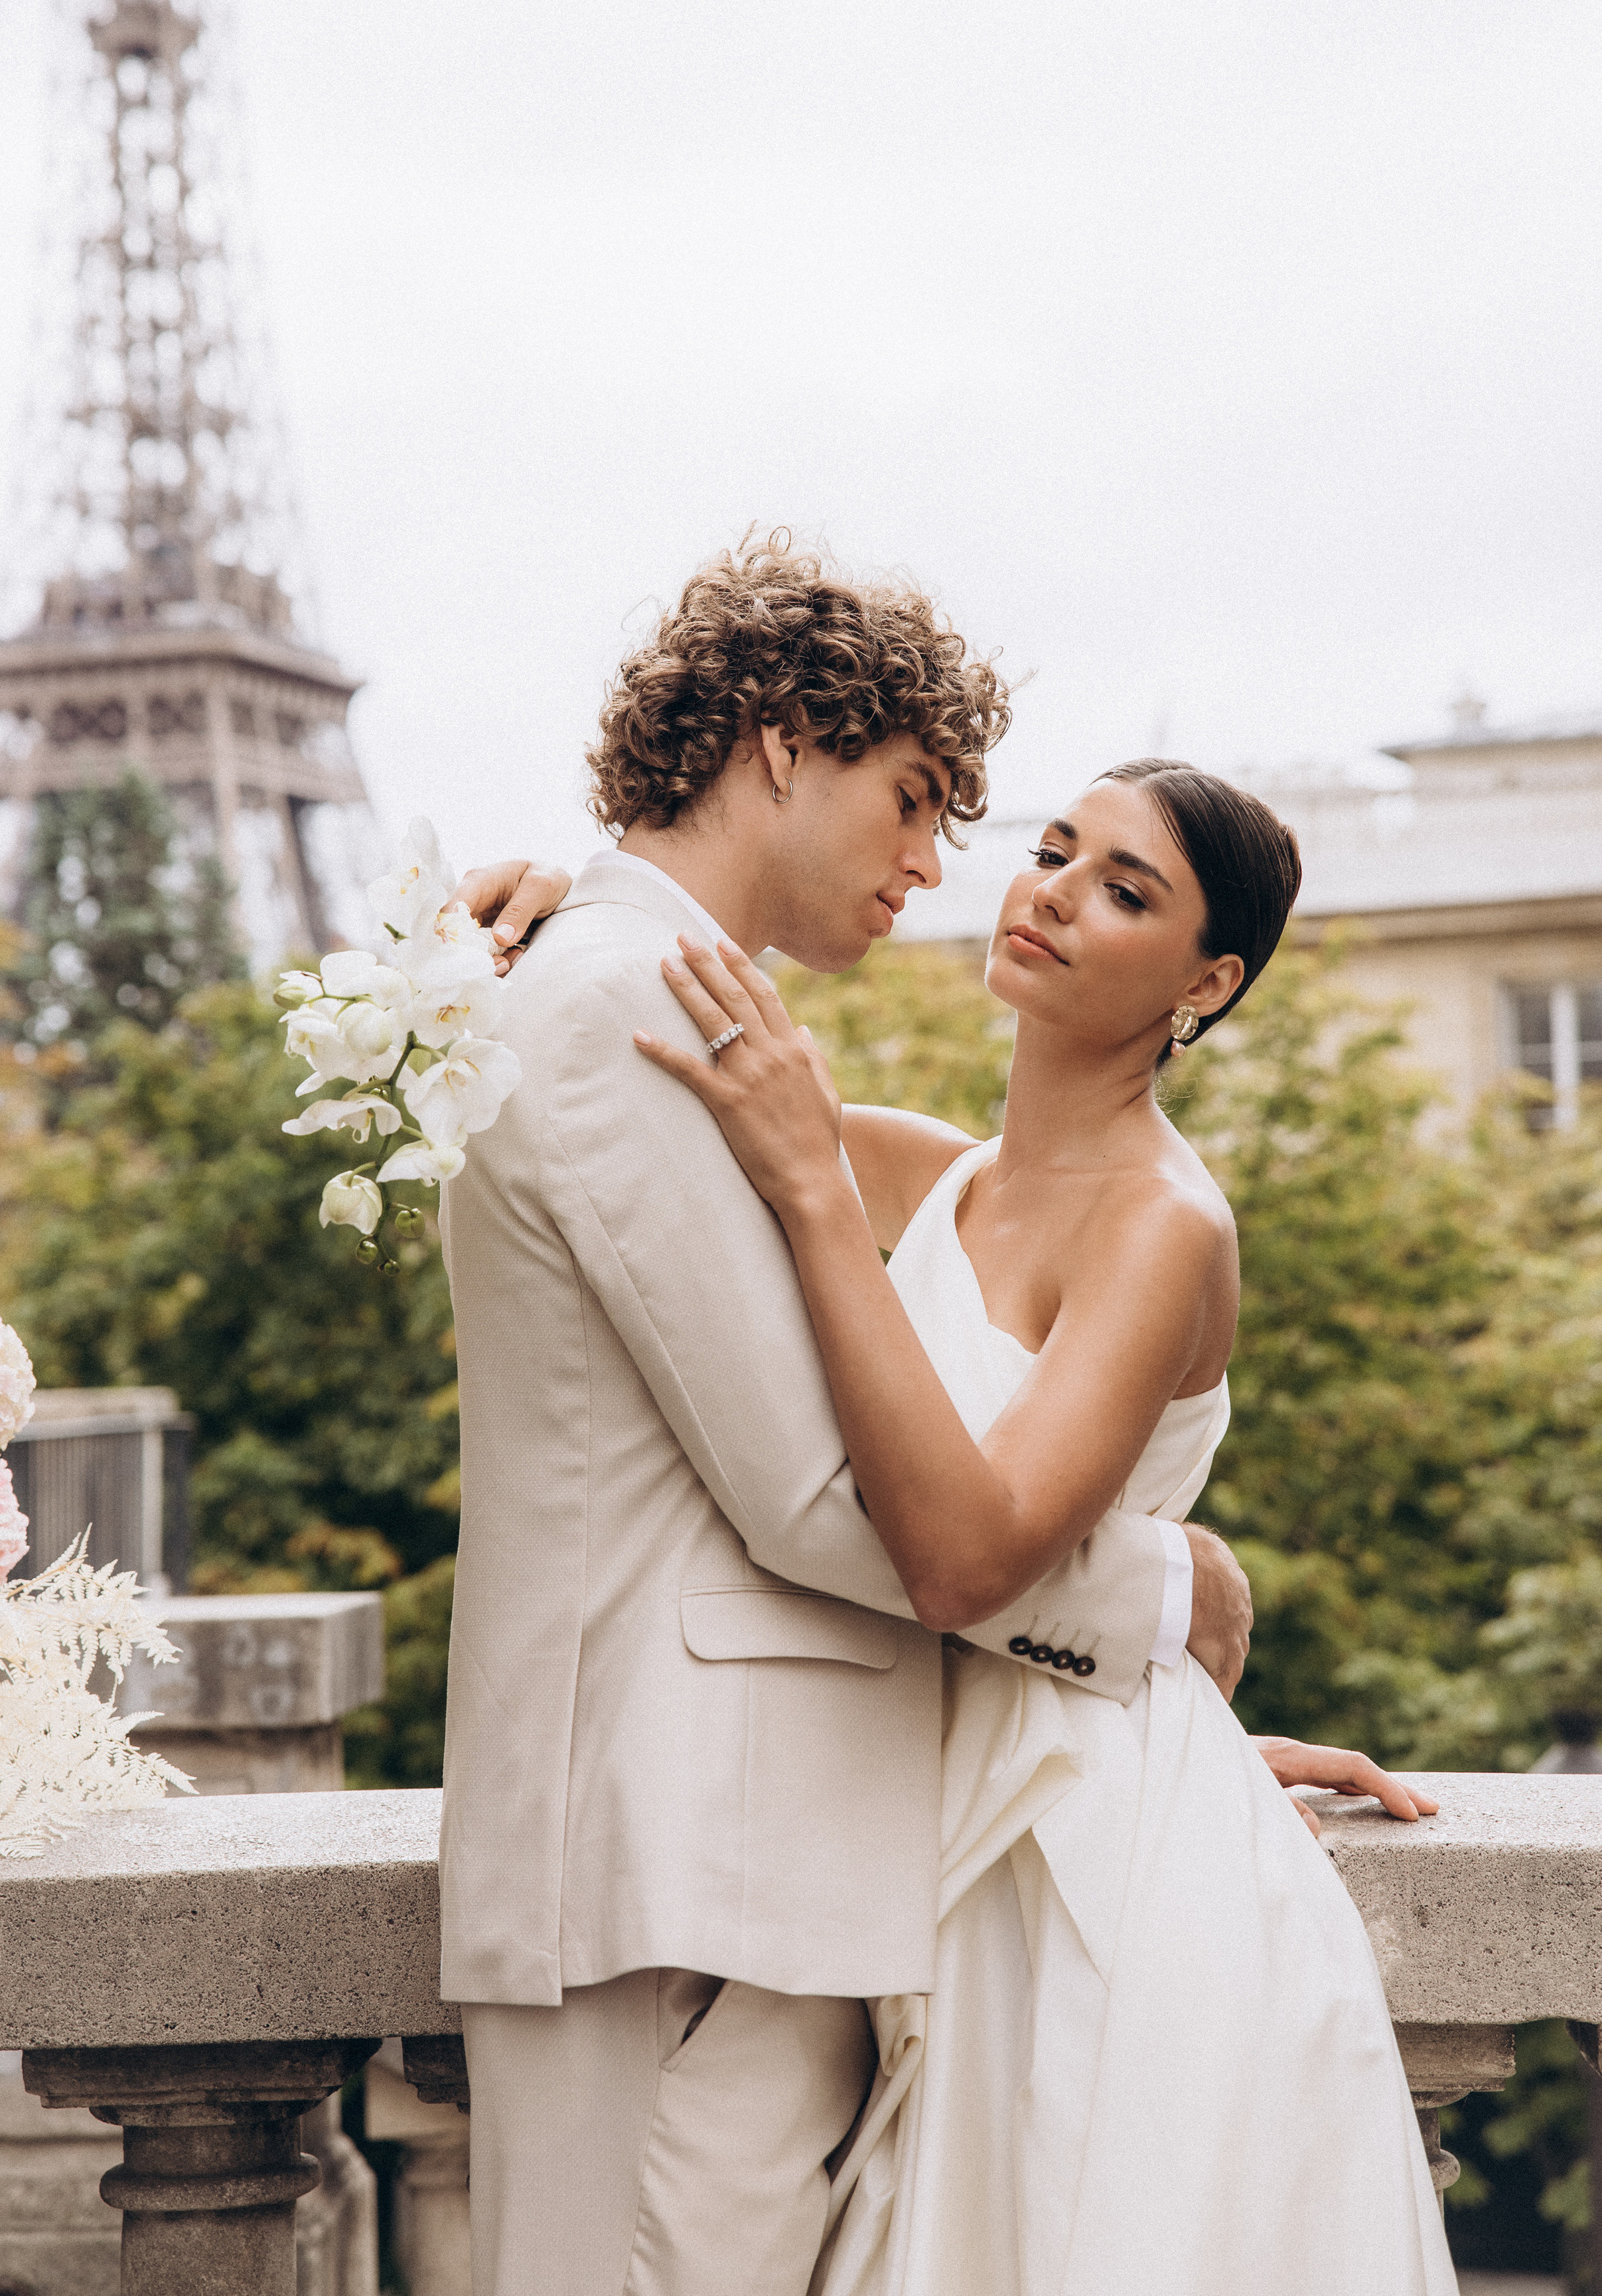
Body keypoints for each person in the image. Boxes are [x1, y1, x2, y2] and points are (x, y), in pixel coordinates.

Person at [438, 535, 1433, 2296]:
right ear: (781, 746)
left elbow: (926, 1491)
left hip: (878, 1849)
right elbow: (837, 1503)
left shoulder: (1103, 1202)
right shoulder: (674, 1031)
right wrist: (1163, 1610)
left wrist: (1163, 1743)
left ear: (1210, 980)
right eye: (945, 812)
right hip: (685, 1861)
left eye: (1118, 888)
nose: (970, 875)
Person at [626, 757, 1457, 2293]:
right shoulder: (947, 1179)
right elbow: (661, 1047)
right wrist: (554, 908)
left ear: (1205, 981)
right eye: (1054, 852)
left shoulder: (1163, 1224)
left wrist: (817, 1201)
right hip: (928, 1796)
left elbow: (965, 1559)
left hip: (1081, 1871)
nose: (1053, 892)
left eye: (1123, 888)